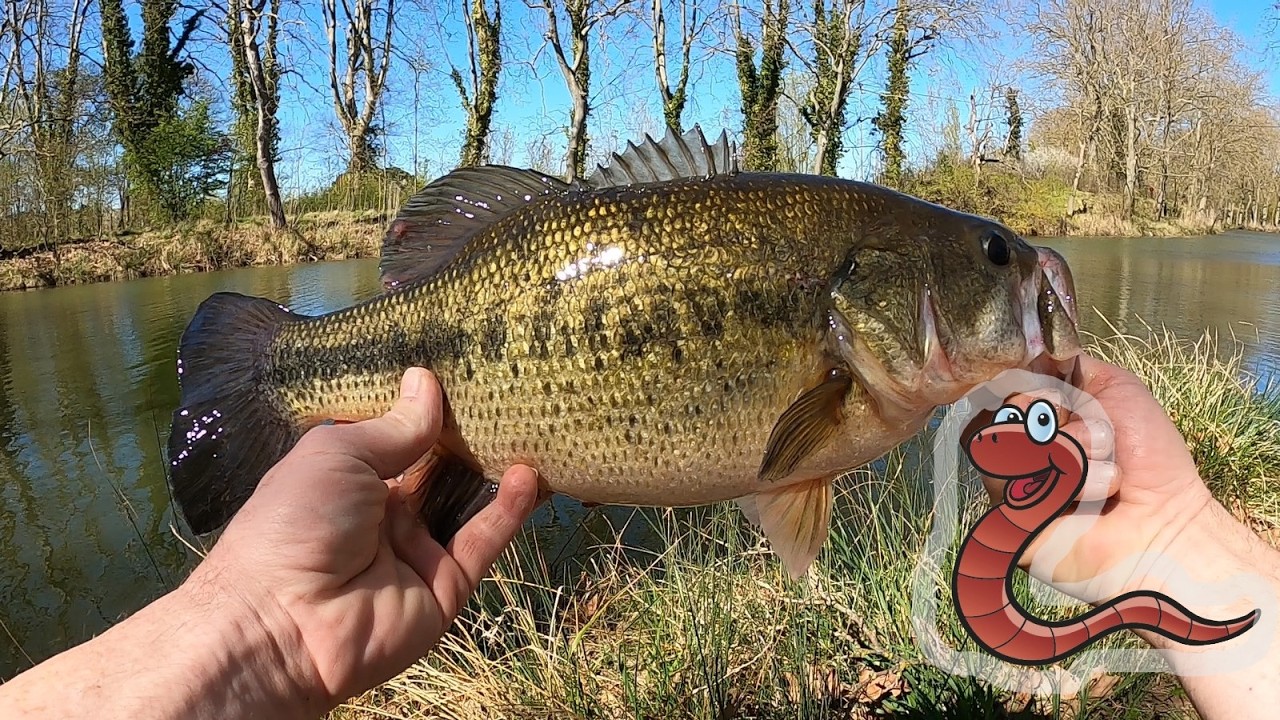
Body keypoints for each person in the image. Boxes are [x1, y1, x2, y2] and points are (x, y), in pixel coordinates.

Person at [1, 356, 1278, 718]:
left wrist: (253, 635)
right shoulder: (856, 383)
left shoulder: (871, 394)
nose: (1017, 281)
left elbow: (791, 473)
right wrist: (251, 628)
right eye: (989, 262)